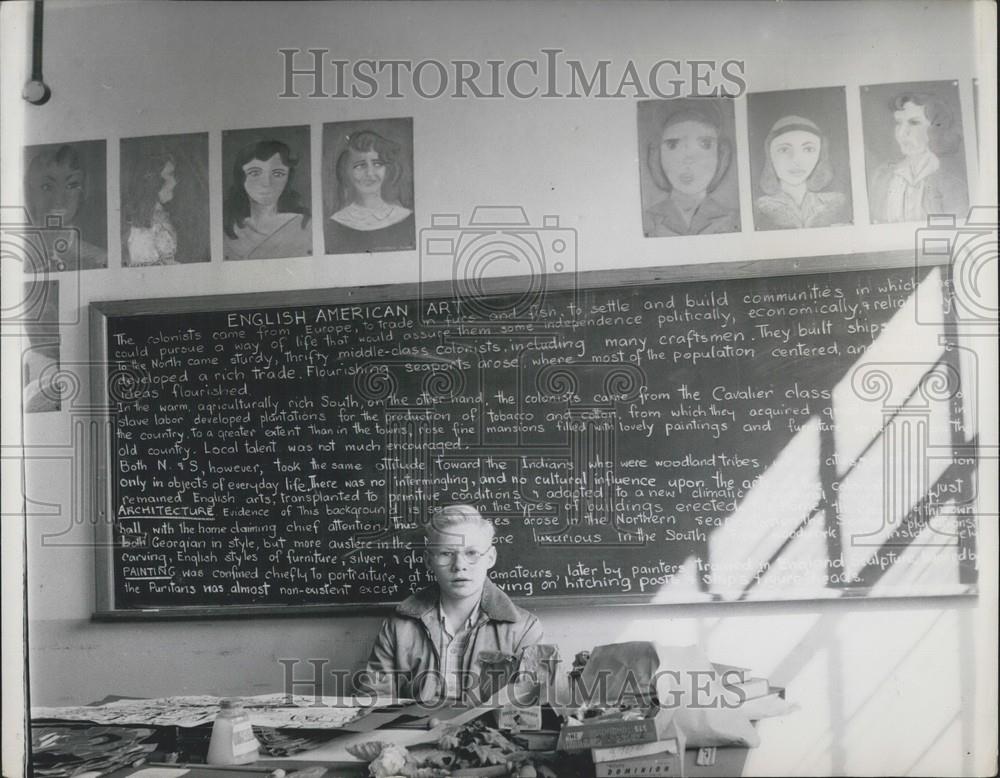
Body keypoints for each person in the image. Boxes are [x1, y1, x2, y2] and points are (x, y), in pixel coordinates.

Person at [363, 504, 543, 702]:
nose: (459, 566)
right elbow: (373, 699)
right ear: (429, 561)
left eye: (472, 553)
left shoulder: (523, 629)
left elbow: (528, 706)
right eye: (446, 554)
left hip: (488, 731)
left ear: (490, 558)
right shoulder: (399, 625)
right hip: (413, 731)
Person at [868, 92, 968, 223]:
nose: (902, 133)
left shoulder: (952, 181)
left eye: (914, 123)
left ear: (937, 127)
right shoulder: (882, 176)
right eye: (898, 123)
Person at [643, 103, 739, 237]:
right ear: (657, 155)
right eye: (672, 145)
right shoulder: (647, 219)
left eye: (705, 144)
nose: (687, 159)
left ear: (721, 155)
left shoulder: (734, 219)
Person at [325, 130, 414, 254]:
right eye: (360, 166)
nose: (370, 173)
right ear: (346, 171)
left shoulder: (406, 218)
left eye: (377, 164)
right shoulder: (336, 223)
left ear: (387, 169)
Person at [754, 115, 848, 230]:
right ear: (769, 154)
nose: (796, 160)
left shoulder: (836, 203)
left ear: (821, 154)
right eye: (784, 149)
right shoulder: (759, 208)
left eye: (808, 149)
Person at [223, 139, 311, 261]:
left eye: (278, 174)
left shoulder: (304, 224)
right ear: (241, 177)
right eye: (255, 173)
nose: (266, 183)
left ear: (288, 179)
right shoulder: (228, 229)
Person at [25, 144, 107, 270]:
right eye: (47, 187)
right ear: (30, 191)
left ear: (83, 191)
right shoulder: (15, 256)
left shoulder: (99, 260)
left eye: (71, 185)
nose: (58, 200)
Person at [123, 151, 178, 266]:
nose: (175, 182)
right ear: (154, 182)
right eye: (170, 175)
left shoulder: (159, 214)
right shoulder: (141, 228)